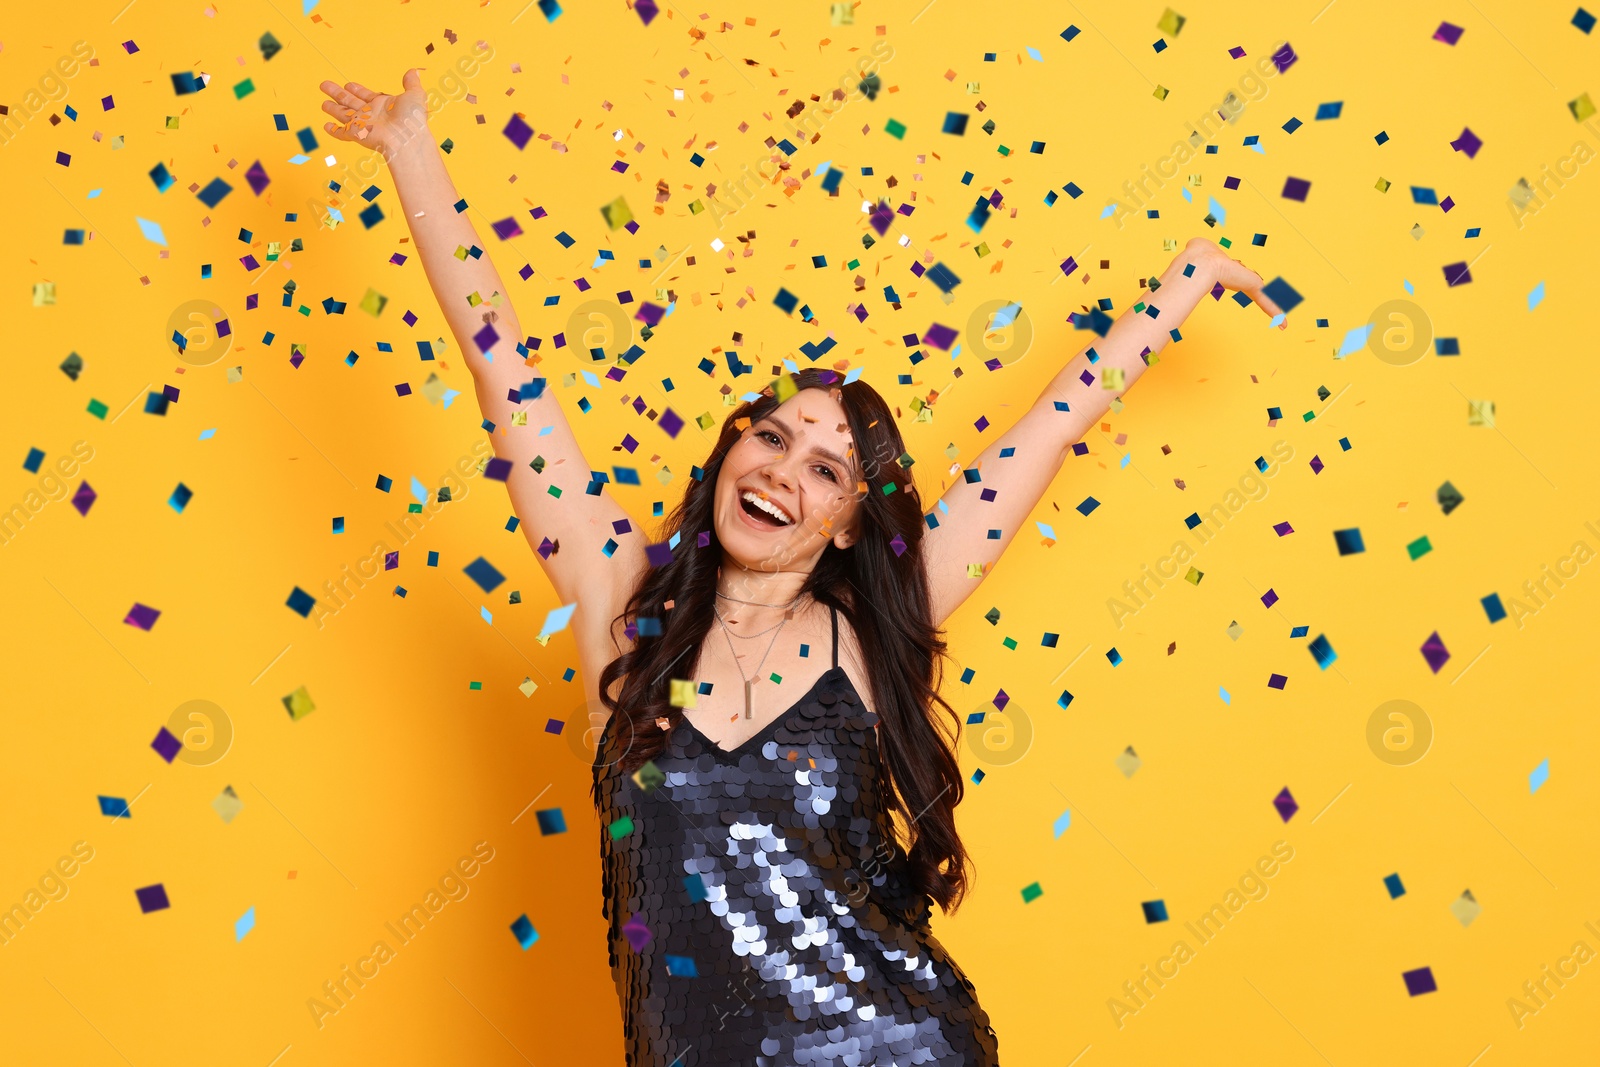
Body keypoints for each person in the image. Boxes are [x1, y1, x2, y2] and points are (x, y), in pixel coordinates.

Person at [320, 70, 1284, 1066]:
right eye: (769, 437)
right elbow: (501, 364)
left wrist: (1181, 287)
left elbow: (1042, 433)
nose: (781, 471)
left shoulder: (870, 628)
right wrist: (410, 152)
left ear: (846, 525)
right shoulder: (615, 599)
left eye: (824, 469)